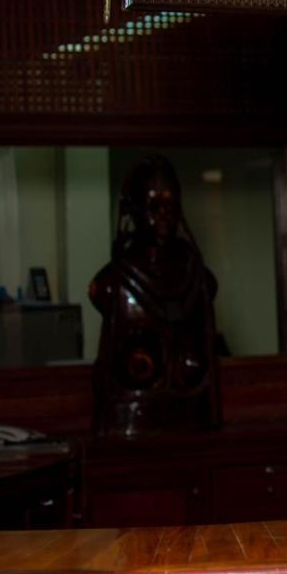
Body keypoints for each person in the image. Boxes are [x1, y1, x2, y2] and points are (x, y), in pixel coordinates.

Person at [90, 155, 221, 437]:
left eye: (170, 206)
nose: (164, 216)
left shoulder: (199, 278)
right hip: (130, 429)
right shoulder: (110, 284)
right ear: (134, 210)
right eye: (154, 206)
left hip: (193, 428)